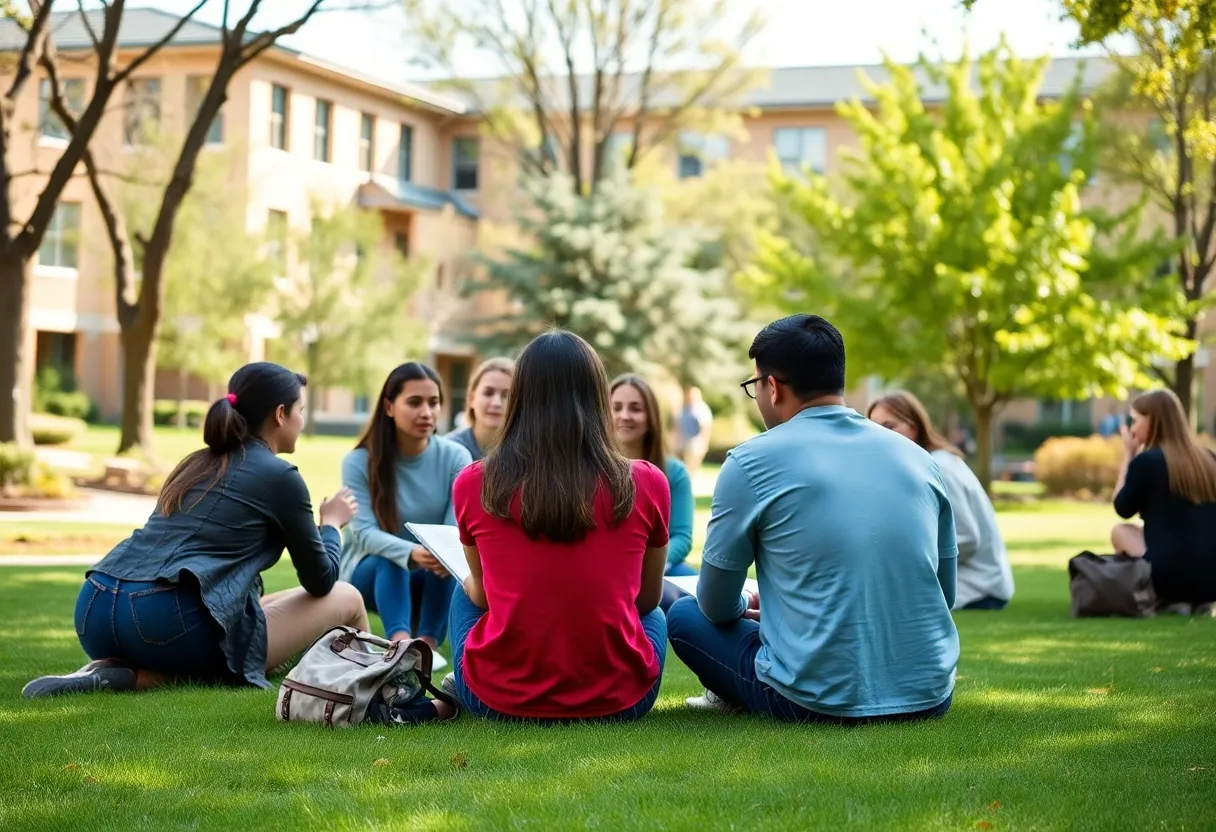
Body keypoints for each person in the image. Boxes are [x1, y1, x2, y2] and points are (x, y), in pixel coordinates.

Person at [667, 314, 960, 723]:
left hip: (812, 699)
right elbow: (943, 596)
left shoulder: (751, 461)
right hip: (929, 694)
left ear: (772, 387)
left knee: (684, 615)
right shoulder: (919, 459)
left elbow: (715, 606)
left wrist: (751, 606)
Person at [23, 363, 369, 699]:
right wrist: (331, 524)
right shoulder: (281, 477)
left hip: (95, 607)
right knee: (347, 597)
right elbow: (321, 581)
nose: (301, 419)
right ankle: (375, 686)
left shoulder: (195, 463)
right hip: (163, 619)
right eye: (301, 409)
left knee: (254, 612)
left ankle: (120, 674)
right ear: (281, 414)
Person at [445, 331, 671, 722]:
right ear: (599, 397)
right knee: (658, 616)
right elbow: (647, 602)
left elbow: (482, 598)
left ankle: (471, 675)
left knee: (463, 589)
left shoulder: (474, 482)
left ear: (519, 397)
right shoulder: (648, 483)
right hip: (622, 703)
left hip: (497, 703)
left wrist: (469, 580)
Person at [339, 363, 472, 670]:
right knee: (392, 558)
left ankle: (426, 646)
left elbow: (455, 527)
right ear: (389, 407)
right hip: (369, 576)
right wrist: (410, 552)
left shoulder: (456, 457)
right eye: (415, 402)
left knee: (446, 560)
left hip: (431, 575)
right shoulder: (359, 461)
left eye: (434, 402)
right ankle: (399, 644)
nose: (426, 412)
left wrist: (436, 554)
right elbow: (364, 534)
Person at [868, 391, 1015, 611]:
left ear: (915, 427)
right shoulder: (919, 467)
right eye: (873, 429)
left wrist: (910, 559)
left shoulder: (940, 468)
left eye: (889, 427)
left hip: (979, 587)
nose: (880, 436)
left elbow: (967, 538)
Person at [1111, 389, 1216, 614]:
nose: (1132, 428)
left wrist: (1128, 456)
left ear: (1153, 420)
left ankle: (1167, 598)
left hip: (1169, 578)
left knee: (1120, 531)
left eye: (1135, 420)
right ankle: (1197, 600)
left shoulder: (1146, 462)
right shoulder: (1209, 459)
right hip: (1212, 579)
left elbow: (1121, 507)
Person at [611, 374, 695, 610]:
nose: (624, 415)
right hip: (610, 568)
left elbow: (682, 536)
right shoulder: (590, 470)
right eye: (616, 407)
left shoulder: (673, 472)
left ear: (651, 418)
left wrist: (648, 565)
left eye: (635, 408)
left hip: (662, 565)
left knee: (691, 599)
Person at [446, 357, 514, 461]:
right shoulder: (447, 450)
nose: (496, 403)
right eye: (488, 393)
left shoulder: (528, 453)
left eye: (506, 395)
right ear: (471, 398)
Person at [678, 386, 713, 471]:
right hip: (685, 438)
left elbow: (706, 426)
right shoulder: (685, 408)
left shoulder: (701, 409)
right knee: (687, 463)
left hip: (696, 439)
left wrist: (704, 442)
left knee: (693, 464)